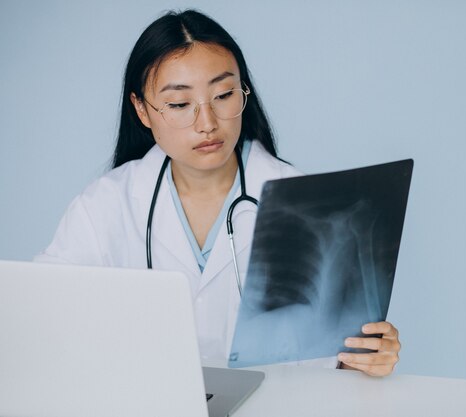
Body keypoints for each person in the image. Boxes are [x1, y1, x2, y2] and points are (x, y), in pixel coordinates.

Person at [34, 9, 400, 377]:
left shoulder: (310, 203)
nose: (207, 123)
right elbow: (41, 320)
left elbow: (332, 364)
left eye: (223, 95)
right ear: (142, 110)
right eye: (179, 104)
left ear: (244, 92)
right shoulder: (103, 207)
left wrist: (362, 361)